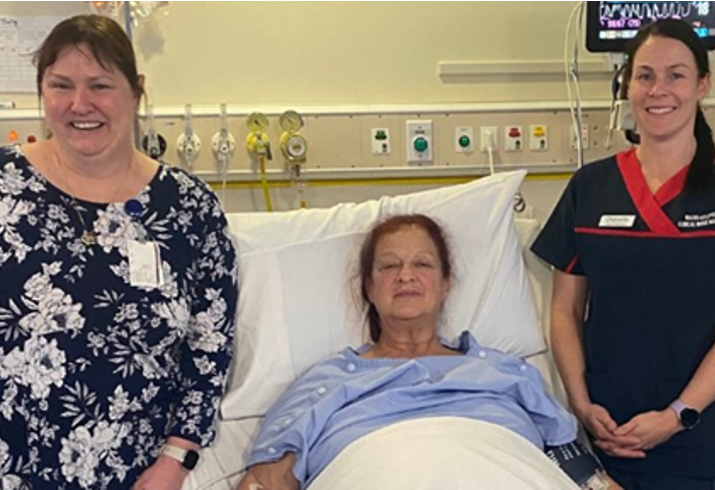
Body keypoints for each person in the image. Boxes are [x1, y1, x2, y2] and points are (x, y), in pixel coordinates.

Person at [0, 14, 238, 490]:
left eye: (100, 86)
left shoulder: (189, 209)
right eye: (60, 85)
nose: (79, 104)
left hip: (135, 475)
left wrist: (175, 460)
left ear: (137, 91)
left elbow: (208, 348)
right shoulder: (6, 187)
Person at [236, 214, 619, 490]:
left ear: (446, 283)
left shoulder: (508, 373)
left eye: (422, 264)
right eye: (389, 266)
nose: (405, 275)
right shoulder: (326, 381)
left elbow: (582, 473)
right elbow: (267, 479)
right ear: (369, 287)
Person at [531, 18, 715, 490]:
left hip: (702, 436)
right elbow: (565, 310)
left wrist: (678, 415)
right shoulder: (589, 188)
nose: (659, 90)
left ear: (702, 84)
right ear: (627, 85)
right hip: (606, 436)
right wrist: (581, 404)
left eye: (676, 74)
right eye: (645, 75)